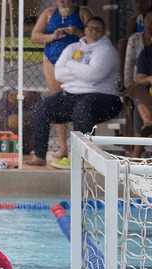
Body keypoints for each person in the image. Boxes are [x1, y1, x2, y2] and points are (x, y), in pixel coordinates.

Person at [27, 17, 121, 168]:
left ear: (104, 32)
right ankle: (39, 156)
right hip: (72, 96)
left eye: (98, 29)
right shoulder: (73, 48)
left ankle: (83, 159)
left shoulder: (107, 51)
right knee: (41, 108)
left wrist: (71, 64)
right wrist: (84, 70)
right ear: (85, 29)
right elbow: (58, 73)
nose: (94, 32)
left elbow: (94, 75)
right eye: (91, 28)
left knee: (82, 108)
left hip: (104, 98)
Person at [31, 0, 93, 162]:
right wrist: (53, 36)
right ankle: (63, 148)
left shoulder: (82, 12)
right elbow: (35, 36)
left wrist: (77, 32)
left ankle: (84, 149)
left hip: (77, 63)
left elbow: (94, 36)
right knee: (57, 102)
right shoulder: (49, 13)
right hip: (52, 62)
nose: (63, 1)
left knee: (80, 102)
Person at [122, 7, 152, 157]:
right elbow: (130, 69)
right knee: (136, 92)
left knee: (139, 104)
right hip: (140, 87)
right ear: (143, 21)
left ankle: (137, 153)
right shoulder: (143, 49)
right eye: (148, 20)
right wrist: (130, 87)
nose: (151, 24)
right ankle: (146, 126)